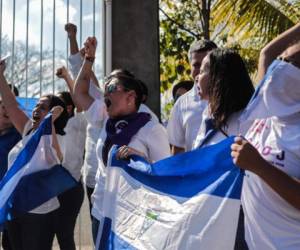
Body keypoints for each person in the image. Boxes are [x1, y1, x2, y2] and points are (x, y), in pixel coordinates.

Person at [73, 36, 171, 244]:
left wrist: (142, 160)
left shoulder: (152, 128)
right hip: (101, 212)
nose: (104, 92)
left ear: (130, 96)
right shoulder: (106, 117)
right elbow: (79, 92)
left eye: (111, 88)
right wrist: (88, 59)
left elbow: (164, 176)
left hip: (134, 217)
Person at [231, 23, 300, 249]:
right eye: (281, 61)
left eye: (289, 64)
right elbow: (267, 53)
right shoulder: (262, 109)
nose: (278, 68)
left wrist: (260, 166)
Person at [0, 59, 69, 250]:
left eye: (43, 106)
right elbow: (11, 105)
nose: (37, 108)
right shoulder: (28, 129)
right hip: (16, 208)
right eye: (37, 105)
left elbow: (56, 156)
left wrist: (49, 123)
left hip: (39, 213)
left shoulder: (59, 137)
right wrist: (0, 75)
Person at [65, 22, 103, 215]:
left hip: (112, 183)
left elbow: (82, 78)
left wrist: (86, 58)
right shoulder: (99, 106)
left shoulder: (103, 108)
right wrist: (73, 39)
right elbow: (79, 73)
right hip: (91, 181)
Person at [55, 66, 87, 250]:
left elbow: (80, 103)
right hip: (52, 187)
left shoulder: (77, 123)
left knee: (65, 235)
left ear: (68, 107)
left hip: (71, 188)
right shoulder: (51, 128)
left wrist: (67, 77)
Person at [167, 39, 217, 154]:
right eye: (196, 65)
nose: (201, 70)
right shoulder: (181, 104)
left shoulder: (232, 98)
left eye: (207, 65)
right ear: (190, 67)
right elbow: (177, 150)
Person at [0, 85, 21, 250]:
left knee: (10, 244)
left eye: (11, 104)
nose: (7, 109)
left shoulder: (22, 134)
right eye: (3, 105)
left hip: (12, 203)